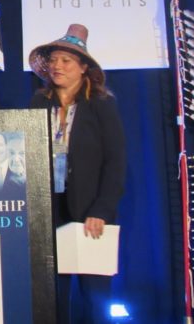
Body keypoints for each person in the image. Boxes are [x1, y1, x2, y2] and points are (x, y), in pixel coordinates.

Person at [29, 24, 126, 324]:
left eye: (66, 61)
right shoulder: (38, 103)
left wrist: (102, 209)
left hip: (90, 212)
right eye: (54, 60)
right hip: (49, 211)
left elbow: (116, 161)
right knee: (51, 296)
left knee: (95, 297)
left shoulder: (101, 105)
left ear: (84, 67)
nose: (57, 66)